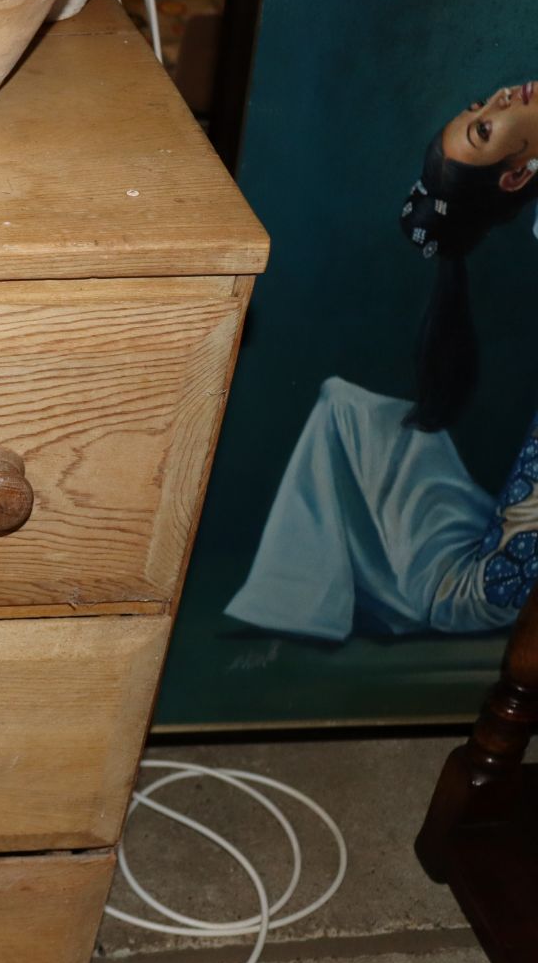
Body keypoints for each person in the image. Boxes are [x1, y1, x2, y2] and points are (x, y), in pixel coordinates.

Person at [225, 82, 538, 640]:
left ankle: (302, 592)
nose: (501, 97)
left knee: (346, 407)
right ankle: (298, 595)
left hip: (477, 581)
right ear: (515, 178)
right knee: (344, 404)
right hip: (476, 575)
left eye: (480, 116)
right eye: (485, 122)